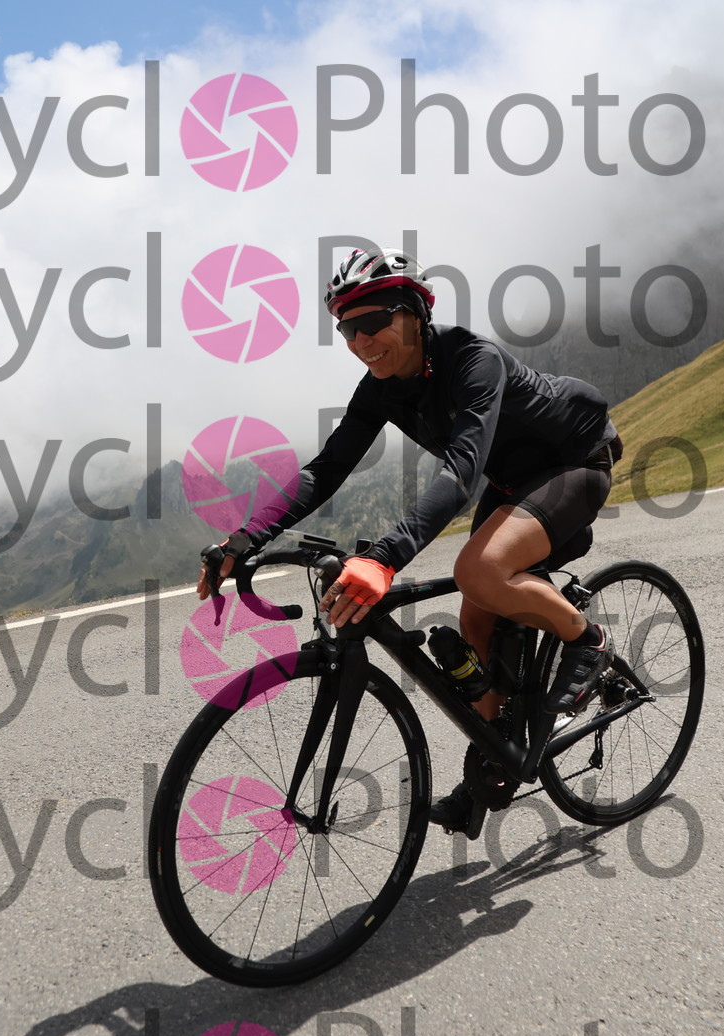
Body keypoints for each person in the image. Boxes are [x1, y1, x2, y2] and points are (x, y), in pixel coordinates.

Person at [196, 247, 623, 831]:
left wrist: (385, 558)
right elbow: (326, 470)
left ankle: (588, 642)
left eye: (374, 322)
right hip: (511, 481)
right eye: (347, 329)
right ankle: (496, 762)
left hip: (575, 461)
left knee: (479, 572)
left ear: (416, 314)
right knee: (477, 620)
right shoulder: (380, 388)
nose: (360, 341)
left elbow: (462, 470)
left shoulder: (473, 361)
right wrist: (245, 538)